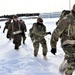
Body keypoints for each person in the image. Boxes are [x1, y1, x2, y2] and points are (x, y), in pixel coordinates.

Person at [50, 4, 75, 75]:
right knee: (73, 61)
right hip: (67, 43)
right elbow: (56, 33)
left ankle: (63, 65)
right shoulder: (66, 19)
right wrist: (53, 46)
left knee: (70, 57)